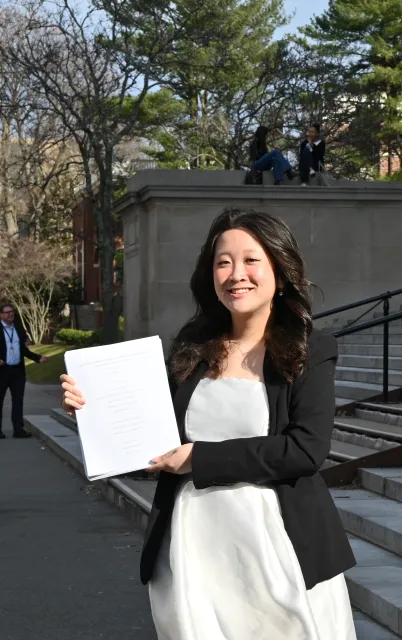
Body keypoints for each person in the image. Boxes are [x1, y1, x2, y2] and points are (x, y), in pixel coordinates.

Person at [60, 208, 357, 640]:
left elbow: (306, 450)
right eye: (223, 262)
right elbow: (153, 445)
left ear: (280, 267)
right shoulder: (192, 350)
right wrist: (94, 415)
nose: (236, 274)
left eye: (251, 259)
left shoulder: (311, 351)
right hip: (193, 546)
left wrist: (199, 458)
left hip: (278, 547)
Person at [0, 303, 48, 439]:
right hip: (2, 372)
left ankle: (18, 429)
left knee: (18, 400)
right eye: (7, 312)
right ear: (1, 315)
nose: (11, 314)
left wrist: (38, 358)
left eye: (12, 312)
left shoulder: (18, 328)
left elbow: (23, 349)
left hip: (17, 371)